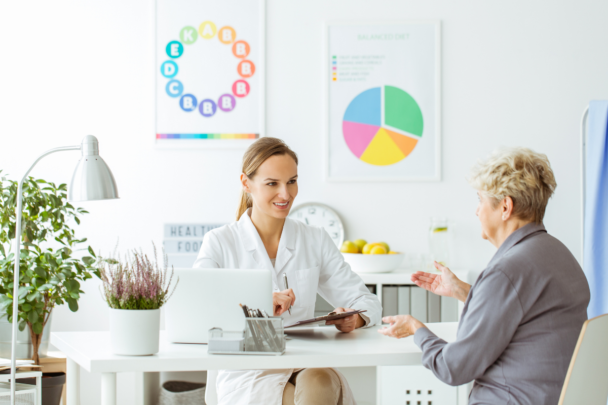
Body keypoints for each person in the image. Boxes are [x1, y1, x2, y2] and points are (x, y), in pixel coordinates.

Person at [379, 147, 590, 405]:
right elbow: (529, 316)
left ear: (505, 207)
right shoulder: (560, 256)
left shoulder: (506, 271)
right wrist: (465, 291)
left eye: (480, 200)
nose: (476, 211)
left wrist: (417, 329)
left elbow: (454, 367)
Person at [194, 137, 382, 405]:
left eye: (291, 181)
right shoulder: (220, 242)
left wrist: (355, 319)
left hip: (306, 362)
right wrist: (258, 305)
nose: (286, 194)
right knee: (318, 391)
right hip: (249, 371)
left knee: (320, 379)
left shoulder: (314, 239)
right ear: (246, 183)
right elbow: (198, 313)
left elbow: (367, 302)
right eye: (272, 183)